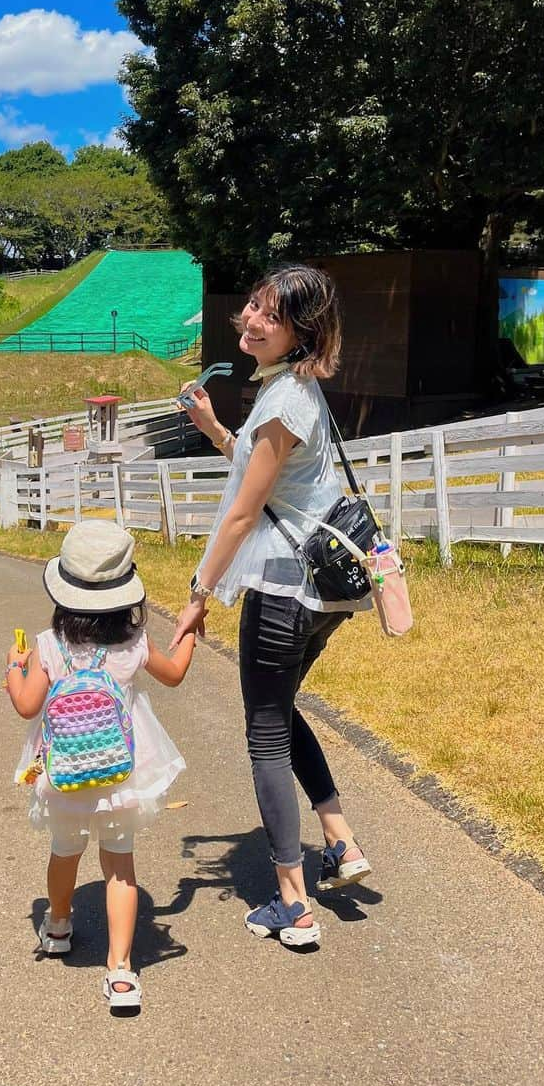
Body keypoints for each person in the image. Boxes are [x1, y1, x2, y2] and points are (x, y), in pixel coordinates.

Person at [172, 263, 372, 950]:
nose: (252, 320)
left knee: (263, 733)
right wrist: (211, 427)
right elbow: (261, 472)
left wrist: (199, 596)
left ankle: (294, 904)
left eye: (272, 315)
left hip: (285, 593)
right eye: (253, 305)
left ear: (301, 331)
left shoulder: (286, 398)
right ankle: (339, 840)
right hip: (316, 593)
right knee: (280, 711)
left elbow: (241, 515)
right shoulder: (294, 392)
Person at [5, 519, 195, 1013]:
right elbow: (174, 674)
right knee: (120, 865)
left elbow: (27, 706)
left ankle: (60, 924)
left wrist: (14, 666)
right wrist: (189, 632)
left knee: (65, 851)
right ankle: (121, 972)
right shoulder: (133, 643)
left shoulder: (49, 646)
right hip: (120, 773)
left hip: (65, 773)